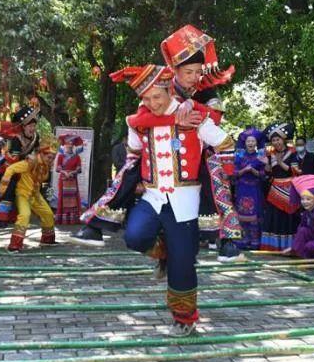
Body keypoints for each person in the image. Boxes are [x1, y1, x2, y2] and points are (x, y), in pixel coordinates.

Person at [73, 25, 241, 263]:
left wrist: (193, 106)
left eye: (198, 72)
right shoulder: (159, 86)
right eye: (188, 72)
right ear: (175, 70)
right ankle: (96, 225)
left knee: (216, 177)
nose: (194, 77)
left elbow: (214, 119)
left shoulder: (206, 91)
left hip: (197, 150)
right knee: (128, 171)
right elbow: (140, 119)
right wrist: (175, 117)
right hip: (156, 151)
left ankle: (227, 240)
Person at [114, 64, 235, 337]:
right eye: (146, 99)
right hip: (153, 196)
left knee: (183, 265)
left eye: (157, 96)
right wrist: (135, 177)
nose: (152, 103)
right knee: (134, 236)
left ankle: (184, 318)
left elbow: (225, 143)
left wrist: (217, 173)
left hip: (185, 202)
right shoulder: (137, 122)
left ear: (169, 90)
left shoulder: (194, 116)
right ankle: (164, 251)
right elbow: (133, 153)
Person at [0, 145, 59, 251]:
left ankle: (47, 240)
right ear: (42, 154)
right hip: (22, 194)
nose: (51, 160)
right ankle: (14, 245)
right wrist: (5, 185)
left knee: (48, 214)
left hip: (35, 195)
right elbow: (10, 168)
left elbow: (43, 180)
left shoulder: (45, 167)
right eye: (49, 157)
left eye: (53, 158)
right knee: (25, 215)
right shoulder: (29, 163)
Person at [261, 122, 300, 251]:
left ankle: (288, 246)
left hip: (289, 188)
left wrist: (279, 162)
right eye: (273, 140)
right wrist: (267, 166)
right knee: (274, 216)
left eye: (278, 139)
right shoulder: (270, 154)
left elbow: (294, 171)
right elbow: (268, 172)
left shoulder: (292, 153)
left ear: (283, 139)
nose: (276, 142)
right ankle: (274, 245)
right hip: (275, 188)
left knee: (287, 217)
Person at [233, 127, 267, 250]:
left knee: (255, 215)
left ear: (256, 143)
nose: (251, 143)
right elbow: (234, 173)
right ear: (245, 143)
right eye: (248, 141)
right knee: (242, 214)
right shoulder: (239, 156)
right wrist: (244, 170)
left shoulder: (261, 156)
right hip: (242, 188)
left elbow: (264, 175)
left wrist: (253, 170)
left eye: (253, 141)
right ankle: (244, 239)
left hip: (255, 189)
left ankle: (255, 240)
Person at [55, 134, 83, 225]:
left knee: (73, 199)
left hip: (72, 180)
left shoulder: (77, 157)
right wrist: (64, 172)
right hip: (63, 180)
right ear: (64, 145)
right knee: (62, 198)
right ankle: (62, 219)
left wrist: (72, 172)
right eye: (67, 144)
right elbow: (58, 168)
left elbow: (79, 169)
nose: (69, 146)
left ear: (73, 146)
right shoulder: (61, 156)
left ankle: (72, 219)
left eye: (71, 144)